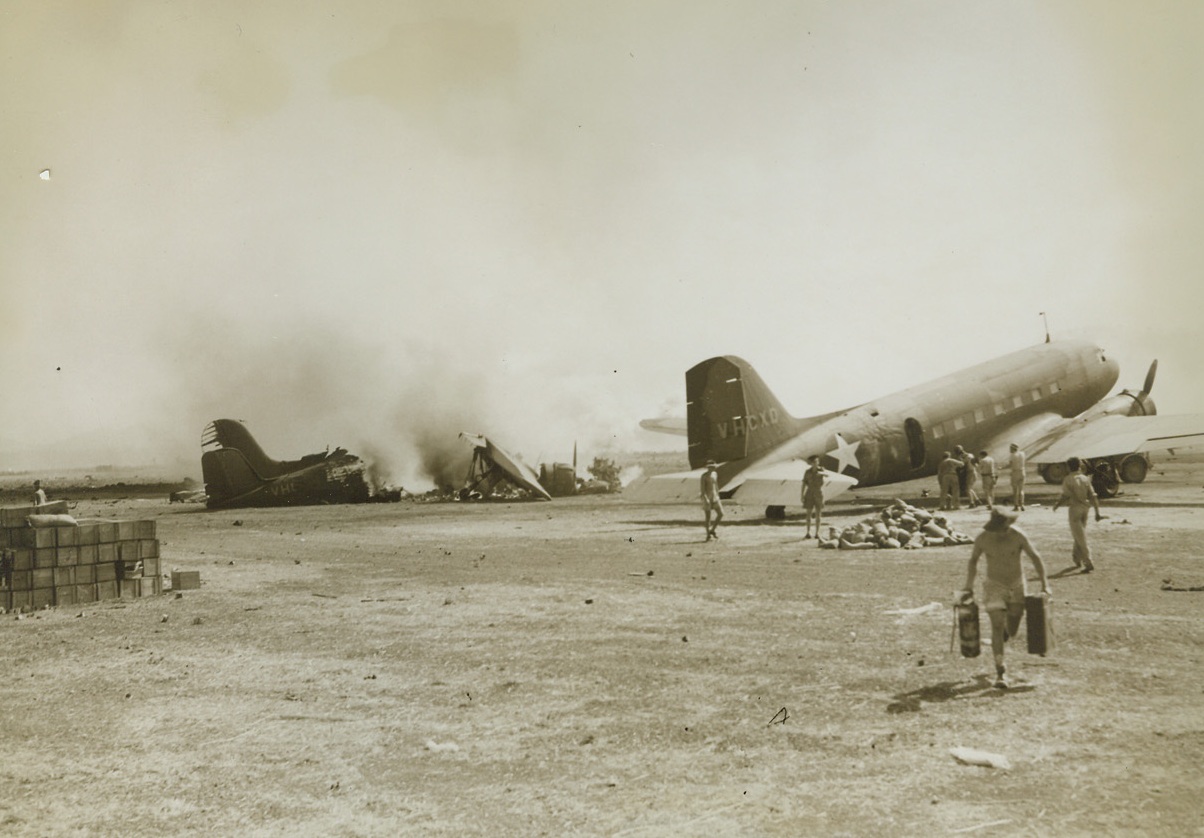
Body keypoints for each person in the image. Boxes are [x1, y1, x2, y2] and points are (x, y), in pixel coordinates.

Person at [960, 509, 1051, 688]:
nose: (1001, 532)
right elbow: (973, 561)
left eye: (1003, 528)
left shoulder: (1018, 535)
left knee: (1013, 625)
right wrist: (968, 585)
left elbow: (1035, 557)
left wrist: (1045, 584)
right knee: (997, 624)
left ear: (1008, 524)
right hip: (994, 585)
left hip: (1017, 585)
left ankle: (1003, 636)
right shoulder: (983, 539)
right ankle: (1000, 671)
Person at [1051, 456, 1103, 573]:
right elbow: (1093, 496)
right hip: (1085, 509)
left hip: (1074, 509)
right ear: (1079, 466)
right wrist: (1097, 512)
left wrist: (1057, 505)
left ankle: (1088, 561)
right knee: (1079, 534)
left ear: (1069, 467)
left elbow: (1065, 496)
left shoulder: (1068, 479)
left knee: (1080, 536)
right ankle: (1076, 558)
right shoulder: (1085, 479)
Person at [800, 455, 827, 538]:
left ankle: (817, 533)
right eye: (815, 462)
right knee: (808, 514)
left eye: (817, 461)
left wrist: (822, 473)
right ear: (811, 463)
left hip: (818, 493)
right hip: (809, 493)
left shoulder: (821, 470)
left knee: (818, 515)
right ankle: (808, 533)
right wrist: (802, 495)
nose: (816, 463)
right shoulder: (807, 472)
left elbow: (827, 475)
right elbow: (804, 483)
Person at [700, 460, 723, 541]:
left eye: (714, 466)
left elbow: (716, 485)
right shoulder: (704, 476)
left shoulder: (715, 474)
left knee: (721, 514)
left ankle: (712, 530)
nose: (714, 468)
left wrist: (718, 495)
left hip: (715, 497)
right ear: (708, 467)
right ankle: (708, 535)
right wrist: (706, 499)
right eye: (712, 467)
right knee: (708, 517)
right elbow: (702, 490)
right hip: (707, 497)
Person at [1008, 443, 1027, 511]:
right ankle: (1022, 505)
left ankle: (1016, 505)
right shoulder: (1022, 454)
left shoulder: (1012, 455)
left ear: (1013, 449)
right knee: (1021, 490)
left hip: (1015, 472)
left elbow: (1010, 464)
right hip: (1022, 471)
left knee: (1015, 490)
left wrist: (1001, 468)